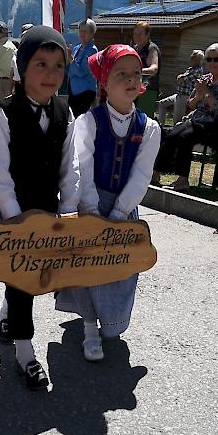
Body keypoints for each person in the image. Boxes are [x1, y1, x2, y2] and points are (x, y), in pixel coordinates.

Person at [0, 25, 79, 390]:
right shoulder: (3, 113)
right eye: (41, 63)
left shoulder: (64, 113)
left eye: (58, 65)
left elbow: (70, 167)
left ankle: (6, 312)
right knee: (23, 274)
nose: (51, 73)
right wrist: (14, 215)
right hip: (16, 211)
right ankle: (25, 351)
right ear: (22, 67)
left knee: (32, 273)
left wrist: (67, 210)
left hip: (49, 209)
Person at [55, 45, 160, 361]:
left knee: (119, 268)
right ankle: (89, 326)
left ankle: (109, 320)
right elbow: (81, 166)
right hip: (92, 201)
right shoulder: (89, 121)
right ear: (104, 82)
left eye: (136, 74)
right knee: (86, 267)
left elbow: (141, 175)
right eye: (121, 74)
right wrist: (89, 207)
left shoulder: (149, 128)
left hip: (124, 208)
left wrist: (119, 211)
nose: (130, 80)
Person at [152, 43, 218, 190]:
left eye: (216, 59)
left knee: (185, 136)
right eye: (208, 59)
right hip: (197, 120)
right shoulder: (204, 78)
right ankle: (156, 174)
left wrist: (206, 93)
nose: (211, 63)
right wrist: (198, 96)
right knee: (171, 134)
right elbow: (190, 105)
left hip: (216, 124)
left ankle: (182, 179)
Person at [156, 49, 204, 125]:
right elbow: (179, 79)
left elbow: (181, 79)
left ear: (197, 60)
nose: (190, 58)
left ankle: (176, 134)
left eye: (192, 57)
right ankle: (160, 125)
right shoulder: (191, 69)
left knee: (177, 121)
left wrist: (181, 77)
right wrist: (180, 78)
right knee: (161, 104)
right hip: (178, 95)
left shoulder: (197, 70)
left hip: (185, 97)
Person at [67, 18, 98, 118]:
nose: (82, 34)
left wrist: (71, 60)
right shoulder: (77, 48)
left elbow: (81, 71)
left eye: (85, 31)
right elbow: (70, 71)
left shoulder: (92, 50)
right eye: (80, 31)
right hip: (73, 90)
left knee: (81, 121)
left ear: (92, 33)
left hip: (85, 92)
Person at [132, 21, 160, 119]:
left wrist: (137, 71)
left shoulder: (151, 48)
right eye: (135, 33)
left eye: (140, 34)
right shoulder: (134, 48)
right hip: (134, 88)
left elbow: (154, 68)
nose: (137, 36)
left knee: (143, 120)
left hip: (148, 90)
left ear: (147, 35)